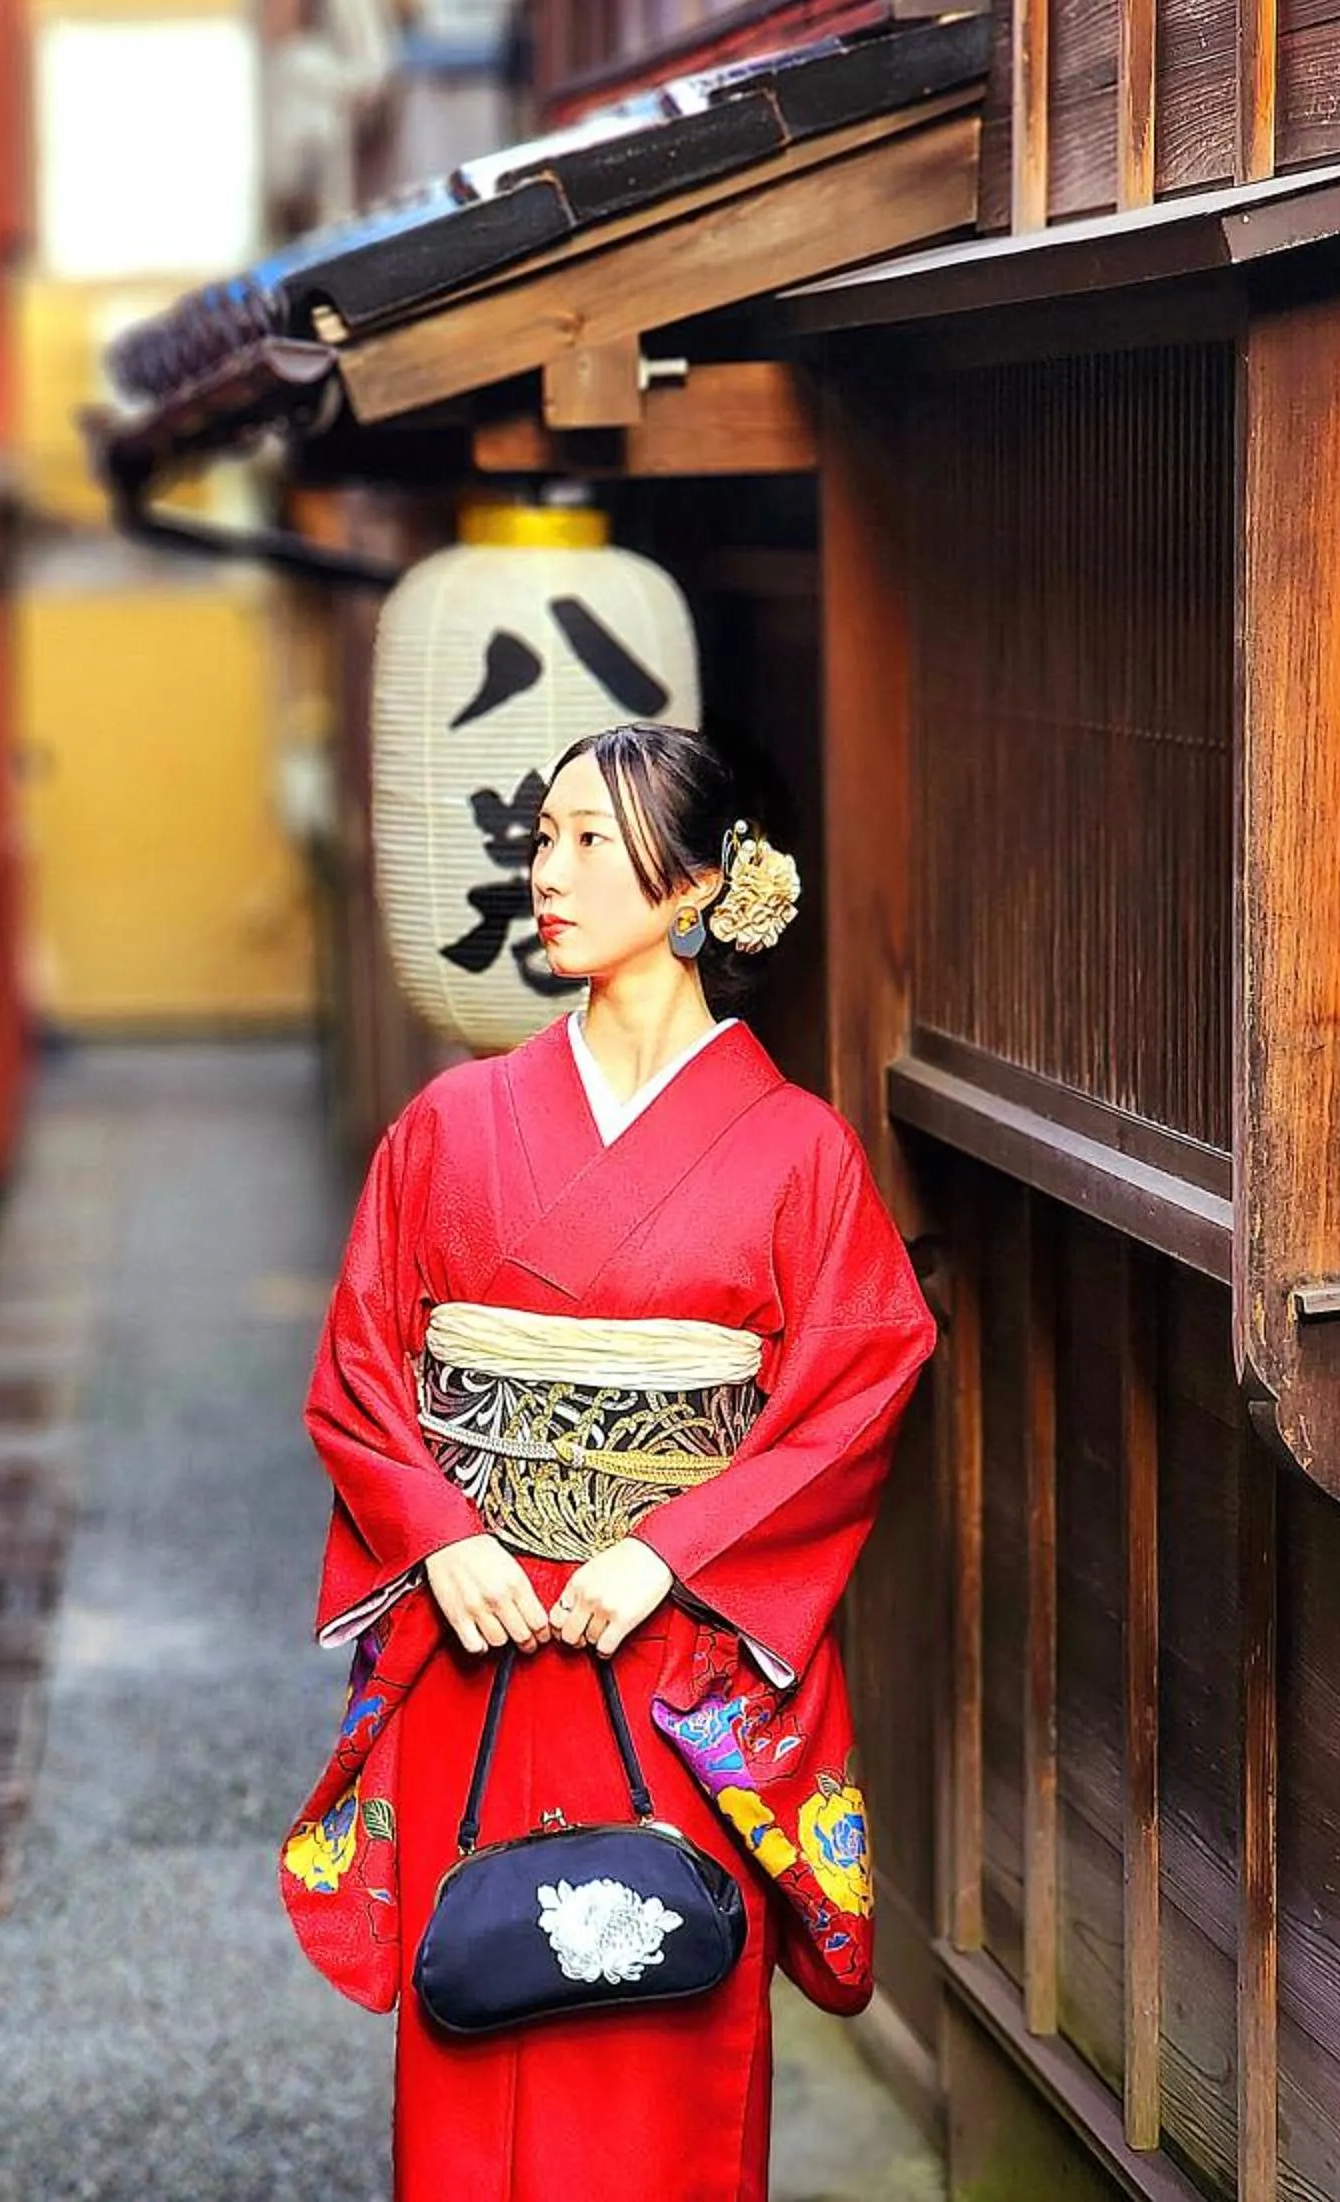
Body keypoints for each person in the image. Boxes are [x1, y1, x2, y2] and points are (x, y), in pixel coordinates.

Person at [282, 722, 938, 2202]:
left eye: (591, 839)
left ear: (700, 879)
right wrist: (443, 1537)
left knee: (666, 2017)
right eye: (541, 839)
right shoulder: (452, 1125)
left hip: (674, 1655)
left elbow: (855, 1383)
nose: (549, 872)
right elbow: (362, 1371)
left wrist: (663, 1550)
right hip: (482, 1647)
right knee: (481, 1999)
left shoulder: (795, 1150)